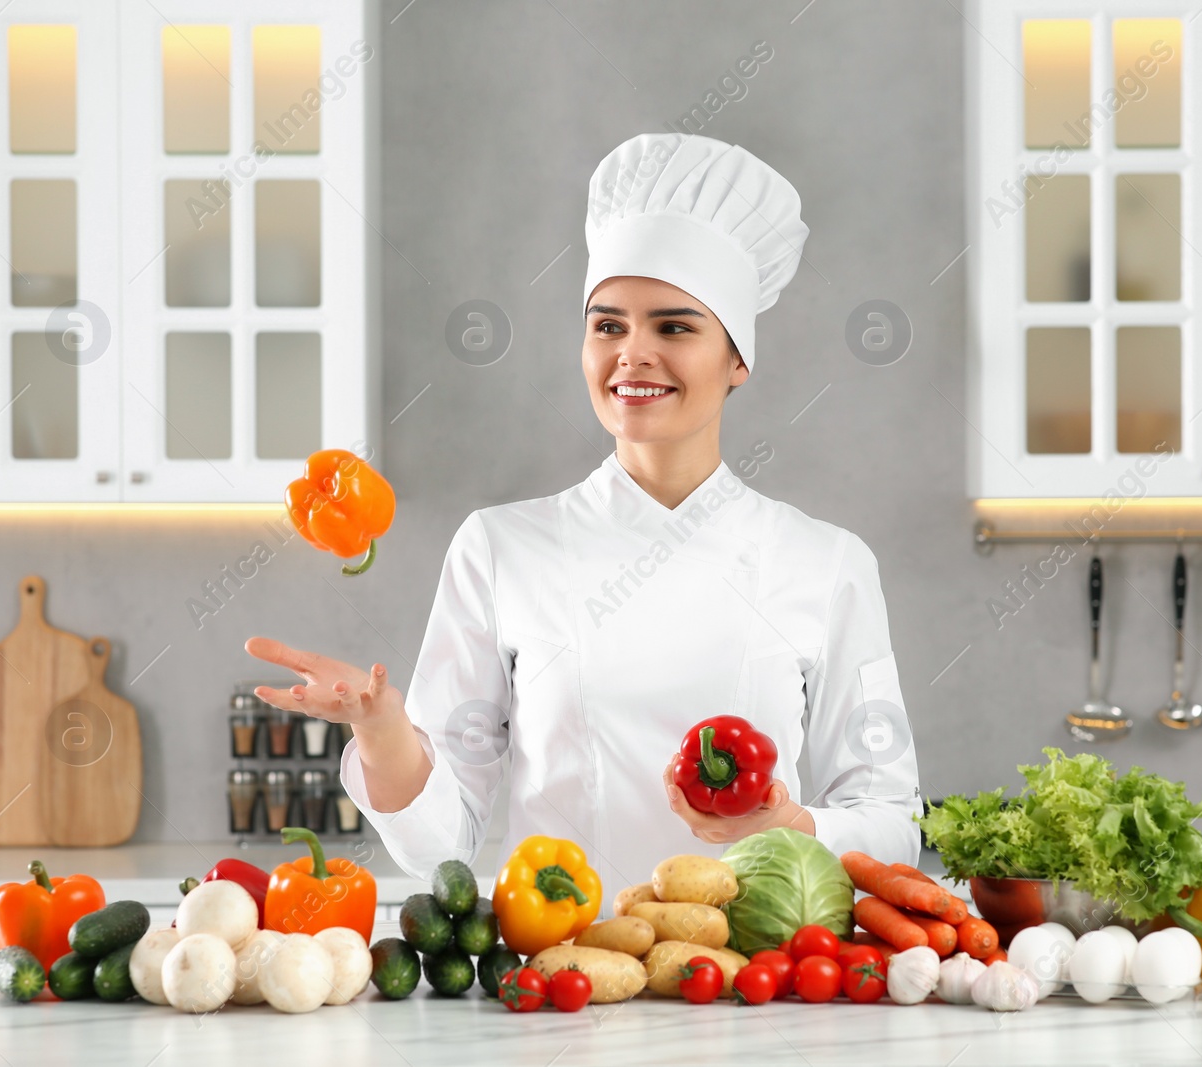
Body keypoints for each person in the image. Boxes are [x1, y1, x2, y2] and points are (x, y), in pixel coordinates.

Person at [246, 133, 921, 894]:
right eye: (608, 325)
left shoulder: (825, 562)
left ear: (738, 360)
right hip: (563, 977)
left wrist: (796, 826)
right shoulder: (501, 548)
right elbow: (442, 846)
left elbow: (890, 817)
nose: (632, 355)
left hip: (756, 981)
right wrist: (381, 731)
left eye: (673, 326)